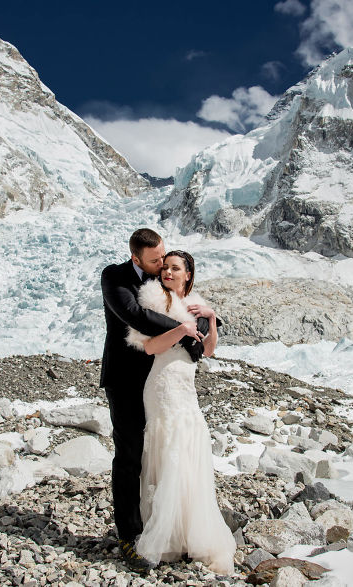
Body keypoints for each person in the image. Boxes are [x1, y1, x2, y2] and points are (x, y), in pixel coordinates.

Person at [100, 229, 209, 571]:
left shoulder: (160, 280)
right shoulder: (114, 277)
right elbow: (137, 317)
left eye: (164, 257)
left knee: (164, 452)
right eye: (155, 260)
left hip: (160, 379)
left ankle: (167, 527)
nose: (162, 265)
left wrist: (204, 319)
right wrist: (187, 332)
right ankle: (129, 536)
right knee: (130, 454)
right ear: (136, 258)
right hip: (127, 379)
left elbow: (186, 303)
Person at [125, 250, 236, 576]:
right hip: (162, 386)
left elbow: (208, 350)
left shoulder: (197, 304)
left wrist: (211, 319)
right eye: (165, 268)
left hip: (186, 388)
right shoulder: (153, 299)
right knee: (170, 452)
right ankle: (167, 536)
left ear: (188, 274)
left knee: (188, 452)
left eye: (175, 268)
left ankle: (189, 532)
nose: (168, 272)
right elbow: (148, 346)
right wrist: (182, 330)